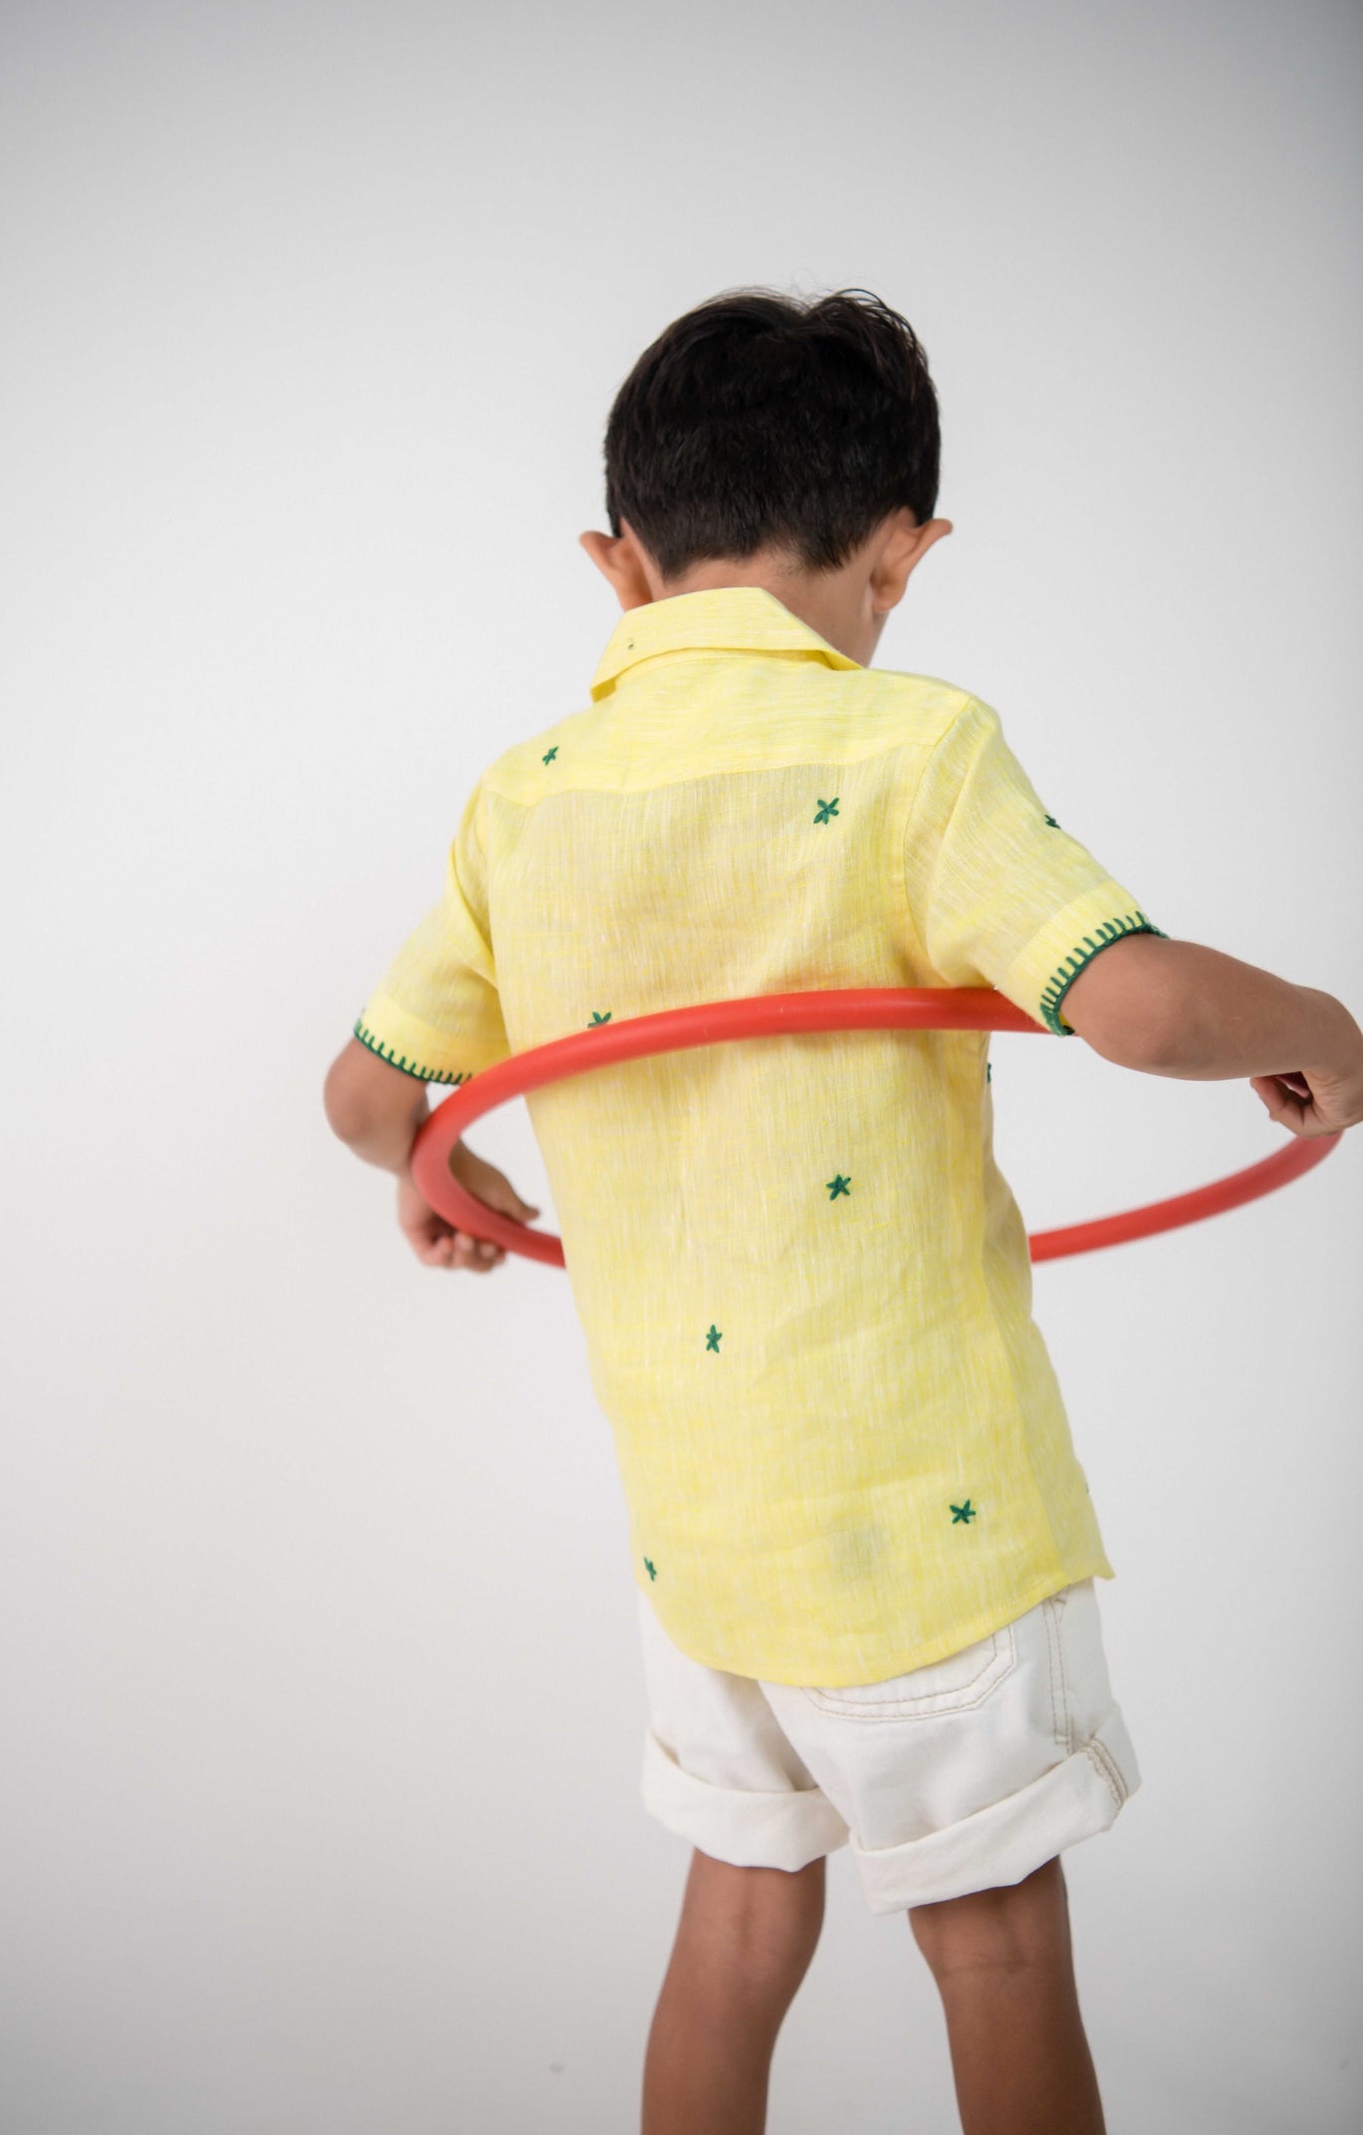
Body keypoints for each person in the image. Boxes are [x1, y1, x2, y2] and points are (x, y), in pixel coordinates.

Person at [322, 288, 1363, 2135]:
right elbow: (1132, 1007)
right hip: (921, 1513)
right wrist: (1317, 1029)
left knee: (733, 1928)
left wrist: (451, 1171)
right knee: (997, 1950)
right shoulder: (908, 750)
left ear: (613, 563)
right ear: (904, 553)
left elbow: (371, 1094)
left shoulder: (531, 795)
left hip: (697, 1536)